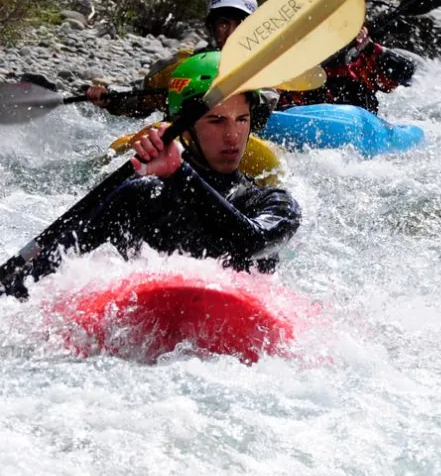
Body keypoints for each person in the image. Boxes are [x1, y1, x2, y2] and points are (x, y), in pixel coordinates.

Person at [5, 52, 302, 298]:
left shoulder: (273, 202)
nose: (232, 136)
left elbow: (253, 242)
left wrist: (180, 173)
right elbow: (55, 265)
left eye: (242, 119)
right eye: (216, 120)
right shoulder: (140, 196)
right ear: (184, 126)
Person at [85, 0, 260, 120]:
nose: (231, 33)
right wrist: (109, 98)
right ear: (212, 27)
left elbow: (265, 106)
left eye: (240, 25)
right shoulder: (182, 65)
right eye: (223, 24)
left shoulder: (262, 67)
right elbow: (139, 98)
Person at [277, 24, 416, 115]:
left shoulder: (367, 96)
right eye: (395, 83)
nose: (394, 87)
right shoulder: (346, 64)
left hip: (298, 104)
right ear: (385, 77)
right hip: (286, 100)